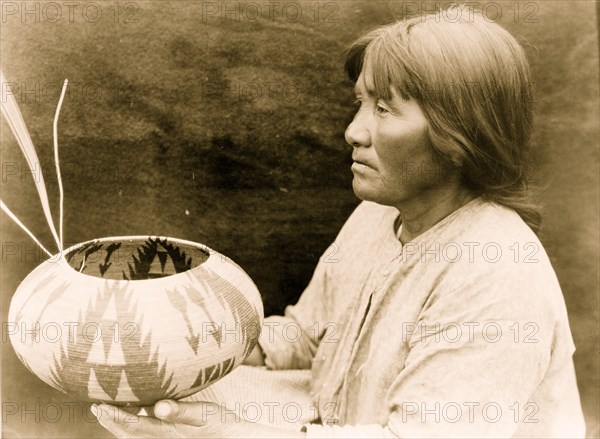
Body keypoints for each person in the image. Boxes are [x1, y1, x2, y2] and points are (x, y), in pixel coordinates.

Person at [95, 5, 586, 438]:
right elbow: (307, 337)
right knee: (159, 406)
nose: (353, 130)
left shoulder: (496, 271)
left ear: (461, 135)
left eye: (386, 109)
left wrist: (226, 432)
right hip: (332, 419)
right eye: (361, 103)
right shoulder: (376, 215)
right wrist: (182, 344)